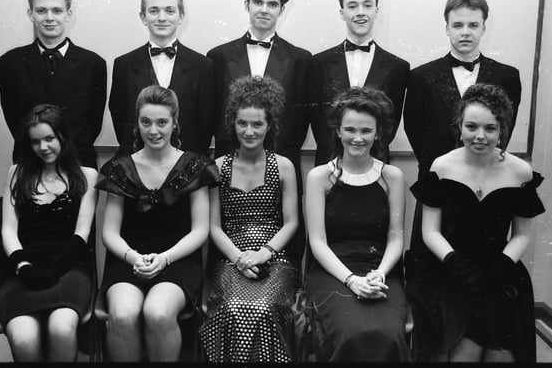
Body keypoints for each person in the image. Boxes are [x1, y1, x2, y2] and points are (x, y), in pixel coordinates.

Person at [406, 83, 545, 362]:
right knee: (463, 356)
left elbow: (521, 235)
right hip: (449, 269)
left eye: (490, 129)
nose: (480, 136)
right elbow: (430, 232)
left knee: (500, 356)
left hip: (500, 270)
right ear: (459, 126)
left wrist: (499, 268)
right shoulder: (442, 167)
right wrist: (459, 265)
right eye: (471, 126)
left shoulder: (520, 172)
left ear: (501, 129)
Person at [97, 85, 219, 361]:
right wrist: (133, 258)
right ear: (137, 124)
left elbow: (200, 230)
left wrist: (164, 258)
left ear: (175, 123)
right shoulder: (120, 167)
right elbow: (110, 233)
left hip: (177, 261)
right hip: (128, 261)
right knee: (123, 315)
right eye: (146, 122)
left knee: (158, 312)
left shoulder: (195, 167)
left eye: (162, 122)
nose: (154, 131)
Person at [403, 0, 522, 258]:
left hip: (487, 186)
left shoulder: (508, 76)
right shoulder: (421, 77)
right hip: (438, 183)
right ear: (446, 28)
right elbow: (414, 129)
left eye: (473, 25)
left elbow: (504, 130)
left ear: (483, 28)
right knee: (430, 265)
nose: (465, 32)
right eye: (457, 25)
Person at [304, 86, 411, 361]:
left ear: (378, 133)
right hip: (333, 272)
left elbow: (396, 238)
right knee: (351, 331)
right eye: (350, 129)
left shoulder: (393, 176)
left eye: (366, 130)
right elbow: (317, 243)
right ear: (338, 131)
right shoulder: (319, 177)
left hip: (380, 272)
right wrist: (351, 281)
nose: (358, 138)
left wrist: (380, 274)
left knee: (388, 333)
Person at [199, 76, 300, 362]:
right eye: (243, 123)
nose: (249, 131)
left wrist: (263, 254)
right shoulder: (218, 166)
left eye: (257, 124)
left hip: (275, 259)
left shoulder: (283, 166)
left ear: (269, 126)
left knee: (265, 307)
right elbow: (214, 226)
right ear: (233, 123)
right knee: (232, 307)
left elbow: (291, 222)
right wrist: (240, 257)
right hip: (231, 258)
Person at [208, 0, 311, 220]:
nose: (264, 10)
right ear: (247, 4)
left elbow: (301, 120)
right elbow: (212, 115)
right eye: (258, 2)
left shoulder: (300, 59)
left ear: (282, 9)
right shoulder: (218, 56)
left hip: (281, 168)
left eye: (272, 4)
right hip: (230, 168)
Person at [0, 104, 98, 362]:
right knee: (23, 338)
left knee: (61, 329)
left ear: (63, 136)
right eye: (35, 142)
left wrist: (54, 271)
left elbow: (82, 234)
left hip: (69, 268)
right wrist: (24, 268)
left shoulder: (87, 176)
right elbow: (9, 231)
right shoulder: (16, 173)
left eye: (49, 138)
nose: (43, 147)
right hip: (24, 270)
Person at [0, 0, 106, 169]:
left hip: (78, 164)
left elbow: (93, 124)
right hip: (30, 164)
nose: (49, 18)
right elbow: (14, 120)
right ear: (30, 14)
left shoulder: (93, 63)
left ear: (68, 14)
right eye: (41, 11)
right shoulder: (9, 63)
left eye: (57, 10)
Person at [307, 0, 409, 166]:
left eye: (367, 5)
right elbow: (318, 124)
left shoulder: (398, 67)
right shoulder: (318, 63)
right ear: (342, 12)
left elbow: (389, 127)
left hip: (376, 166)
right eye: (352, 6)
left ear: (377, 11)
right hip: (328, 167)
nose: (360, 12)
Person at [109, 0, 215, 156]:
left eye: (170, 10)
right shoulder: (124, 65)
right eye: (153, 11)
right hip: (138, 163)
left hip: (186, 165)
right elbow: (121, 120)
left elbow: (206, 124)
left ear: (181, 16)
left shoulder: (202, 66)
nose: (162, 17)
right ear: (143, 17)